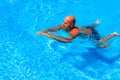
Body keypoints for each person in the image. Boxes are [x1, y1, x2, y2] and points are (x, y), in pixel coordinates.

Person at [36, 16, 120, 48]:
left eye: (66, 23)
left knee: (99, 44)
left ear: (71, 24)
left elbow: (67, 40)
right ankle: (96, 23)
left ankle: (112, 34)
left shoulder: (74, 31)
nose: (63, 24)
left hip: (91, 35)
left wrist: (51, 36)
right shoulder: (63, 25)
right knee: (89, 26)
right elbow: (53, 29)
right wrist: (45, 31)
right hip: (85, 28)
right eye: (63, 22)